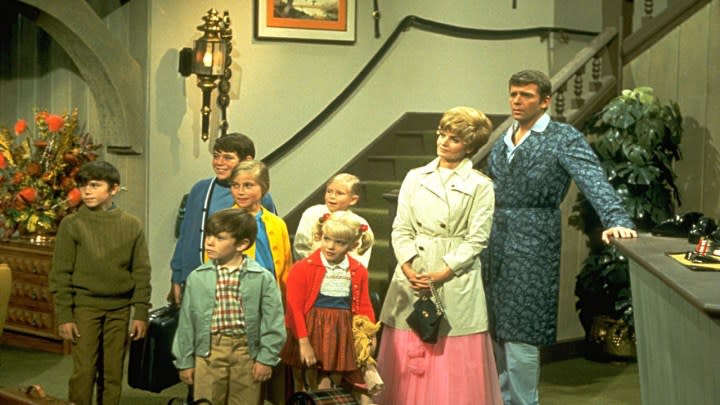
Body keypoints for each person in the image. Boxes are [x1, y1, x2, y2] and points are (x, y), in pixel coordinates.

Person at [483, 70, 638, 405]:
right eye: (513, 94)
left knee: (522, 330)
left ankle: (525, 402)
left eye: (525, 95)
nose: (517, 101)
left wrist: (615, 218)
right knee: (496, 328)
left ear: (545, 100)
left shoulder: (562, 137)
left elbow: (592, 178)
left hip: (534, 239)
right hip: (494, 240)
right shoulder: (504, 139)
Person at [376, 106, 502, 405]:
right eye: (442, 134)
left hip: (453, 276)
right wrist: (407, 267)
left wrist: (445, 271)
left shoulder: (480, 186)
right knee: (408, 352)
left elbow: (477, 239)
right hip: (413, 272)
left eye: (454, 138)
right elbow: (400, 227)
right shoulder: (415, 177)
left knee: (451, 354)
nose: (444, 142)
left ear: (469, 146)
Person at [49, 160, 151, 405]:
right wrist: (65, 315)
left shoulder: (131, 225)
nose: (87, 191)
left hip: (119, 308)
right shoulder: (71, 224)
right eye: (83, 185)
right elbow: (60, 273)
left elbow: (141, 271)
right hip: (85, 307)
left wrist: (140, 312)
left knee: (113, 371)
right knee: (84, 371)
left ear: (114, 189)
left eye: (95, 185)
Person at [172, 208, 286, 405]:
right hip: (208, 352)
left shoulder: (262, 277)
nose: (209, 242)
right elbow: (187, 324)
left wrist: (266, 358)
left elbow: (273, 321)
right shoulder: (198, 277)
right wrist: (185, 361)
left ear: (242, 244)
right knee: (206, 401)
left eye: (220, 238)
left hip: (246, 352)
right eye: (208, 235)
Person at [169, 132, 277, 306]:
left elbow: (268, 245)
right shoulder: (200, 190)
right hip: (198, 279)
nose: (219, 163)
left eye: (227, 158)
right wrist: (177, 275)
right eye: (216, 156)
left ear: (247, 160)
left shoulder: (259, 198)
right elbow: (186, 236)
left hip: (240, 287)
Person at [281, 210, 376, 393]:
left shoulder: (358, 270)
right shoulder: (302, 268)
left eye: (339, 242)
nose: (330, 246)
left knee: (334, 385)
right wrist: (303, 342)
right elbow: (294, 308)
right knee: (307, 382)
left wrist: (369, 335)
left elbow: (364, 305)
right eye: (327, 239)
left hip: (341, 331)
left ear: (353, 244)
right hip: (309, 330)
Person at [229, 159, 292, 404]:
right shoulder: (225, 221)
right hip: (239, 304)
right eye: (235, 186)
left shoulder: (276, 224)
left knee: (274, 364)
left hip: (271, 302)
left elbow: (286, 266)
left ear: (263, 188)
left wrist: (285, 308)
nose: (241, 191)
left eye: (248, 185)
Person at [293, 173, 374, 267]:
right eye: (329, 191)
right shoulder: (312, 213)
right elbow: (301, 247)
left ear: (353, 200)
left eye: (340, 193)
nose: (332, 196)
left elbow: (361, 256)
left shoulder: (359, 223)